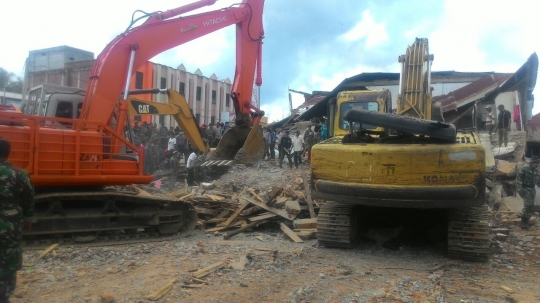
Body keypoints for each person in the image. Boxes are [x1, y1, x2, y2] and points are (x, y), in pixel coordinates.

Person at [0, 138, 35, 302]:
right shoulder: (19, 174)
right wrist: (28, 220)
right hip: (10, 228)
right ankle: (4, 295)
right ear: (8, 154)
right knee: (9, 261)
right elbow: (29, 200)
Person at [516, 155, 540, 229]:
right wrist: (520, 188)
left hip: (532, 190)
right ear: (532, 163)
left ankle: (526, 222)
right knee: (528, 205)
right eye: (536, 163)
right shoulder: (524, 169)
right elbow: (519, 179)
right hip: (525, 188)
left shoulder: (537, 172)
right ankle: (523, 222)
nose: (537, 165)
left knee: (531, 207)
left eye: (538, 163)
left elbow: (538, 183)